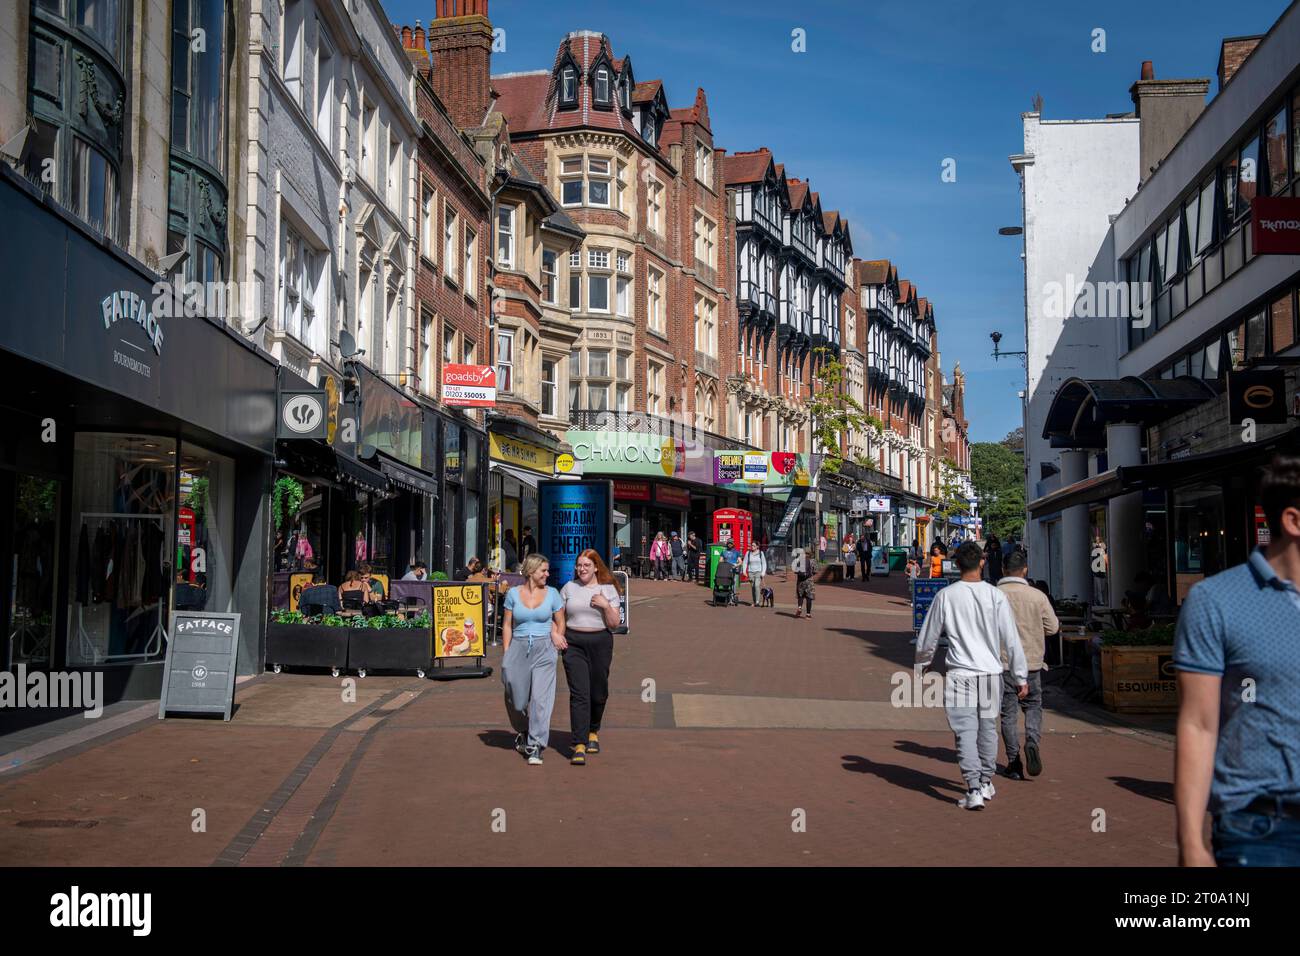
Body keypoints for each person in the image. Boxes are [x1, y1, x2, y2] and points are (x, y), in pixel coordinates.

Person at [1175, 455, 1300, 867]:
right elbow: (1199, 723)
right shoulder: (1216, 602)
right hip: (1263, 828)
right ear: (1293, 522)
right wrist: (1191, 842)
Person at [916, 541, 1028, 811]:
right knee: (988, 727)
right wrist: (1021, 675)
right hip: (991, 672)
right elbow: (1011, 639)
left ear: (955, 565)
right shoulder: (995, 595)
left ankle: (974, 787)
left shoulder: (947, 596)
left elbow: (929, 635)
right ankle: (986, 780)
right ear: (982, 562)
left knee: (965, 731)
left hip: (960, 673)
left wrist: (923, 664)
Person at [997, 549, 1058, 781]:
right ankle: (1032, 741)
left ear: (1003, 570)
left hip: (1004, 664)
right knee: (1033, 706)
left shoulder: (994, 594)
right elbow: (1052, 628)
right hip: (1032, 663)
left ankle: (1013, 762)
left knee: (1008, 714)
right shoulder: (1037, 596)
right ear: (1025, 570)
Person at [501, 553, 566, 766]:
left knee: (540, 699)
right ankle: (523, 729)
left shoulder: (553, 593)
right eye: (543, 571)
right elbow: (508, 625)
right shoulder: (512, 594)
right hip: (518, 647)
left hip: (544, 648)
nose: (547, 574)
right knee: (515, 697)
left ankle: (536, 744)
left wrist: (556, 634)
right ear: (531, 571)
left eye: (547, 570)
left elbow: (560, 621)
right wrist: (507, 652)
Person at [560, 549, 622, 765]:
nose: (582, 569)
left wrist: (606, 606)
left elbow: (615, 624)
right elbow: (558, 617)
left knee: (598, 693)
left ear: (596, 567)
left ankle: (593, 731)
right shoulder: (569, 588)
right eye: (579, 565)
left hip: (600, 643)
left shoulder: (608, 589)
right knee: (579, 694)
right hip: (573, 643)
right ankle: (579, 744)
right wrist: (556, 635)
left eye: (587, 565)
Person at [792, 546, 816, 619]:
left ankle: (799, 607)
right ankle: (808, 615)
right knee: (809, 597)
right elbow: (815, 571)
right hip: (809, 581)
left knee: (801, 595)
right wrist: (810, 574)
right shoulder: (812, 560)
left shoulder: (800, 560)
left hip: (800, 581)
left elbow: (795, 570)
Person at [742, 540, 768, 607]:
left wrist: (763, 573)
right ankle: (754, 601)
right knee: (753, 587)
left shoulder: (760, 553)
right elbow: (745, 562)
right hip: (751, 572)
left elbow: (764, 563)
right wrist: (744, 571)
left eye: (753, 546)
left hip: (758, 572)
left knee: (756, 586)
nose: (752, 547)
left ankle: (757, 602)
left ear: (757, 547)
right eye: (751, 545)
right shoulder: (748, 553)